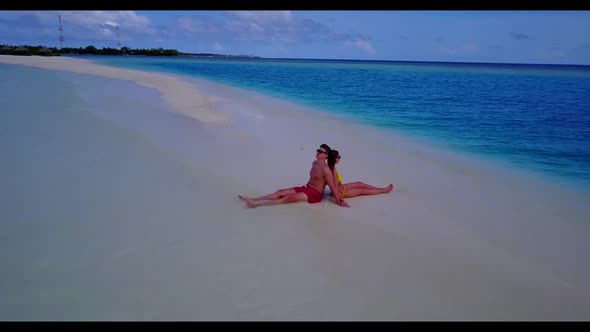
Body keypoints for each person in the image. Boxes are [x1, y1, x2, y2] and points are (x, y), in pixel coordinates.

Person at [239, 144, 348, 208]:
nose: (318, 152)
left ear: (326, 156)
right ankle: (254, 199)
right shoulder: (314, 163)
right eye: (318, 150)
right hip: (307, 188)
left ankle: (256, 205)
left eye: (321, 152)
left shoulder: (326, 170)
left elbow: (333, 187)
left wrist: (340, 202)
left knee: (287, 198)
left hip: (314, 195)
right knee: (280, 192)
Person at [327, 149, 393, 204]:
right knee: (362, 191)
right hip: (341, 192)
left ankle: (380, 188)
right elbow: (334, 187)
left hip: (342, 187)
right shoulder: (333, 171)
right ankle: (383, 191)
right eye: (339, 157)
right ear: (334, 158)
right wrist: (341, 201)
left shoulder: (332, 167)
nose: (339, 158)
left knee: (359, 183)